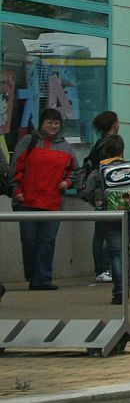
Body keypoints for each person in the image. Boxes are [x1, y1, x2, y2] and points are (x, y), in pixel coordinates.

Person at [11, 108, 77, 290]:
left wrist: (68, 183)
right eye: (50, 122)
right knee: (30, 242)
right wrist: (17, 191)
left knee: (47, 242)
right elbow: (15, 167)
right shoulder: (28, 141)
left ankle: (43, 279)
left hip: (53, 203)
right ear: (42, 123)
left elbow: (75, 172)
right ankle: (33, 276)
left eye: (56, 123)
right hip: (27, 202)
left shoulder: (66, 146)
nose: (53, 126)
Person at [83, 135, 130, 305]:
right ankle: (126, 284)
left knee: (115, 252)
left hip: (109, 214)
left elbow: (88, 191)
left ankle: (119, 289)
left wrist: (97, 204)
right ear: (122, 151)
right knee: (125, 249)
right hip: (129, 213)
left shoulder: (99, 171)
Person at [82, 110, 121, 283]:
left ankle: (106, 267)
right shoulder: (108, 145)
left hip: (101, 193)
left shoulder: (99, 143)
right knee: (103, 233)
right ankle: (103, 268)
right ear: (113, 124)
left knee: (103, 232)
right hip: (107, 193)